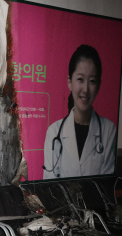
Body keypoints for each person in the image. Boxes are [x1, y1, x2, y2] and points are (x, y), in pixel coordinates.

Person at [43, 45, 116, 179]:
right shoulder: (54, 132)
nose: (86, 89)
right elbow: (49, 187)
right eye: (80, 79)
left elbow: (106, 187)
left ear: (98, 86)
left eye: (92, 81)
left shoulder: (109, 130)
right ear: (70, 82)